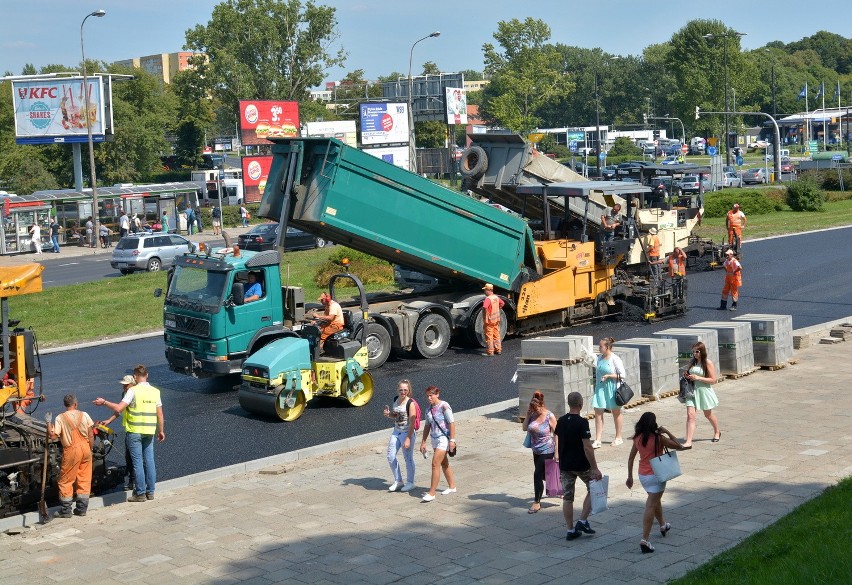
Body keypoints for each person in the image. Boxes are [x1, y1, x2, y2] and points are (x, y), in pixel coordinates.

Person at [94, 364, 165, 502]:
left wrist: (104, 402)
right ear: (147, 375)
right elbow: (160, 415)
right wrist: (161, 431)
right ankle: (150, 492)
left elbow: (119, 407)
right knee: (150, 461)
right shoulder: (155, 391)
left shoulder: (133, 391)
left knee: (137, 462)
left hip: (134, 432)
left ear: (135, 377)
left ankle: (140, 493)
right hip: (149, 431)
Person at [626, 412, 683, 553]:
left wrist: (629, 477)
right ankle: (644, 540)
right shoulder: (659, 438)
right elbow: (678, 445)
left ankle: (663, 524)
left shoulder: (637, 438)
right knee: (651, 504)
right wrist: (667, 431)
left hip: (643, 475)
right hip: (657, 474)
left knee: (654, 499)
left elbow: (631, 458)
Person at [554, 391, 602, 541]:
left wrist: (556, 454)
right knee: (594, 487)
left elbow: (556, 436)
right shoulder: (582, 422)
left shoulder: (561, 420)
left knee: (568, 498)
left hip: (565, 465)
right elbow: (587, 447)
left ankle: (570, 530)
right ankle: (582, 521)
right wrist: (595, 467)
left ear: (569, 404)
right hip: (581, 465)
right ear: (581, 405)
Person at [48, 394, 94, 517]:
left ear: (65, 405)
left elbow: (53, 436)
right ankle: (81, 509)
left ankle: (66, 510)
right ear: (75, 404)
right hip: (85, 447)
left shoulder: (60, 418)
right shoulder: (85, 415)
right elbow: (91, 434)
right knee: (84, 478)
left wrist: (48, 423)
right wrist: (90, 448)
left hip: (71, 450)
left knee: (66, 480)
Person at [98, 375, 136, 491]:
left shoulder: (134, 394)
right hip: (130, 429)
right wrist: (109, 420)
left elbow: (118, 408)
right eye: (123, 385)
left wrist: (104, 402)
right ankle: (133, 480)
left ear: (133, 384)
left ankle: (135, 481)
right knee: (129, 457)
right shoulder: (125, 394)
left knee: (135, 458)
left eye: (126, 385)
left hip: (136, 429)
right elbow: (120, 410)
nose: (124, 387)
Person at [419, 385, 456, 502]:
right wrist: (423, 441)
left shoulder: (444, 406)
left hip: (443, 439)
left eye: (431, 395)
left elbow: (451, 423)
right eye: (427, 396)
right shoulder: (428, 409)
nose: (429, 398)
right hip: (434, 438)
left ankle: (432, 492)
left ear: (437, 394)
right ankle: (452, 486)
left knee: (435, 464)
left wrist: (452, 440)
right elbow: (427, 426)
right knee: (444, 462)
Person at [522, 391, 557, 513]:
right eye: (532, 408)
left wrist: (557, 452)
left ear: (542, 405)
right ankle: (558, 484)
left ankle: (537, 502)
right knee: (543, 475)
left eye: (536, 408)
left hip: (547, 449)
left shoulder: (549, 416)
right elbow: (525, 428)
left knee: (537, 475)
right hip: (535, 449)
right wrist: (527, 415)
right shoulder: (532, 414)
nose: (534, 410)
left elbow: (557, 433)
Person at [682, 342, 721, 448]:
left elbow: (713, 380)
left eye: (697, 351)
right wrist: (687, 375)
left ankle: (717, 431)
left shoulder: (707, 363)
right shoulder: (692, 362)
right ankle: (688, 441)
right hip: (691, 391)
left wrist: (698, 378)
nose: (695, 354)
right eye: (693, 351)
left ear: (702, 351)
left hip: (703, 391)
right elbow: (690, 374)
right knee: (690, 415)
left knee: (708, 414)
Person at [591, 337, 626, 449]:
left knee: (615, 411)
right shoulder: (599, 358)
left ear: (607, 347)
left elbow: (622, 375)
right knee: (598, 411)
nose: (599, 348)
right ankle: (598, 439)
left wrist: (609, 376)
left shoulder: (615, 359)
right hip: (601, 387)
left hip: (612, 387)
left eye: (601, 346)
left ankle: (618, 437)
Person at [383, 379, 417, 493]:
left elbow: (412, 422)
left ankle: (410, 482)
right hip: (396, 432)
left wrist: (408, 438)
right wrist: (389, 415)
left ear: (409, 391)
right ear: (398, 389)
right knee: (390, 456)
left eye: (405, 390)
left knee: (408, 458)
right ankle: (398, 480)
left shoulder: (410, 403)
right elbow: (396, 415)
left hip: (407, 433)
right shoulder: (395, 399)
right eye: (401, 390)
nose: (403, 392)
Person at [481, 283, 505, 356]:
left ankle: (490, 352)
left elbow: (485, 307)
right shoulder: (496, 297)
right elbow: (502, 303)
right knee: (496, 334)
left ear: (489, 290)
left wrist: (485, 315)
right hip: (496, 319)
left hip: (490, 320)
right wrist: (498, 308)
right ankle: (498, 350)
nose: (484, 291)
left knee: (489, 336)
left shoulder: (488, 299)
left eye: (485, 290)